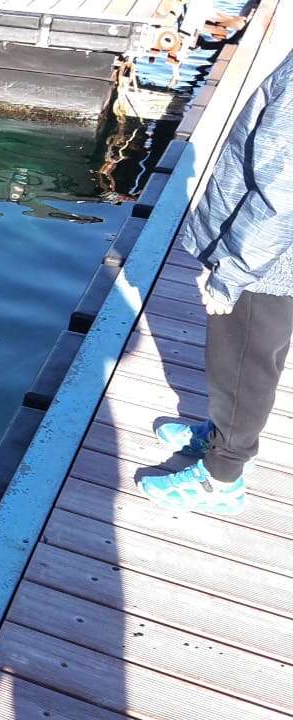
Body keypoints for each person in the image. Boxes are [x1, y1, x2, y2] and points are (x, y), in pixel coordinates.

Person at [138, 47, 293, 516]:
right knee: (247, 360)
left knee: (242, 366)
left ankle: (222, 476)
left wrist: (231, 274)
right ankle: (222, 433)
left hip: (265, 262)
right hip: (268, 254)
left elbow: (281, 195)